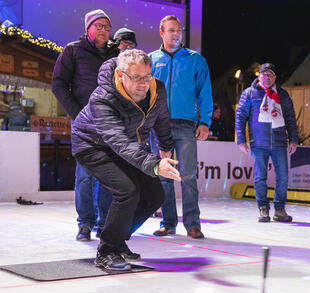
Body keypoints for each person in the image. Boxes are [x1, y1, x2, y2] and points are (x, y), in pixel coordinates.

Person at [71, 49, 179, 271]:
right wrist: (154, 164)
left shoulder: (156, 88)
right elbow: (118, 140)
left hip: (127, 145)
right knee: (127, 190)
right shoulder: (102, 98)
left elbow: (161, 118)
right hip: (91, 145)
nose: (143, 84)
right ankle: (106, 250)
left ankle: (117, 239)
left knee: (155, 194)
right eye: (136, 77)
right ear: (120, 75)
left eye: (147, 77)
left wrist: (166, 146)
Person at [52, 9, 118, 241]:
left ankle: (104, 224)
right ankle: (85, 223)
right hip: (84, 122)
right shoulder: (73, 50)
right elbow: (59, 85)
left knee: (109, 175)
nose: (103, 30)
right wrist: (78, 114)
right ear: (88, 28)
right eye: (99, 26)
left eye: (107, 27)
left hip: (110, 122)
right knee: (85, 175)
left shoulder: (115, 54)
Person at [148, 15, 213, 239]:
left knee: (188, 177)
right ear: (161, 32)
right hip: (159, 127)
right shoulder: (151, 60)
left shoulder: (196, 60)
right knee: (164, 176)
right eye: (172, 30)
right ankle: (168, 223)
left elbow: (205, 93)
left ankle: (193, 224)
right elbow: (144, 94)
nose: (177, 34)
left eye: (180, 30)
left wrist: (205, 122)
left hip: (186, 126)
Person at [235, 63, 299, 222]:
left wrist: (293, 139)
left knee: (283, 176)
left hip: (279, 142)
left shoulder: (283, 95)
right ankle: (263, 209)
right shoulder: (249, 93)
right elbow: (241, 117)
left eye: (270, 74)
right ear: (258, 76)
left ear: (275, 77)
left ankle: (279, 209)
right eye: (264, 74)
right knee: (259, 177)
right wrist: (241, 140)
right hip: (258, 142)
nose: (267, 77)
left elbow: (290, 117)